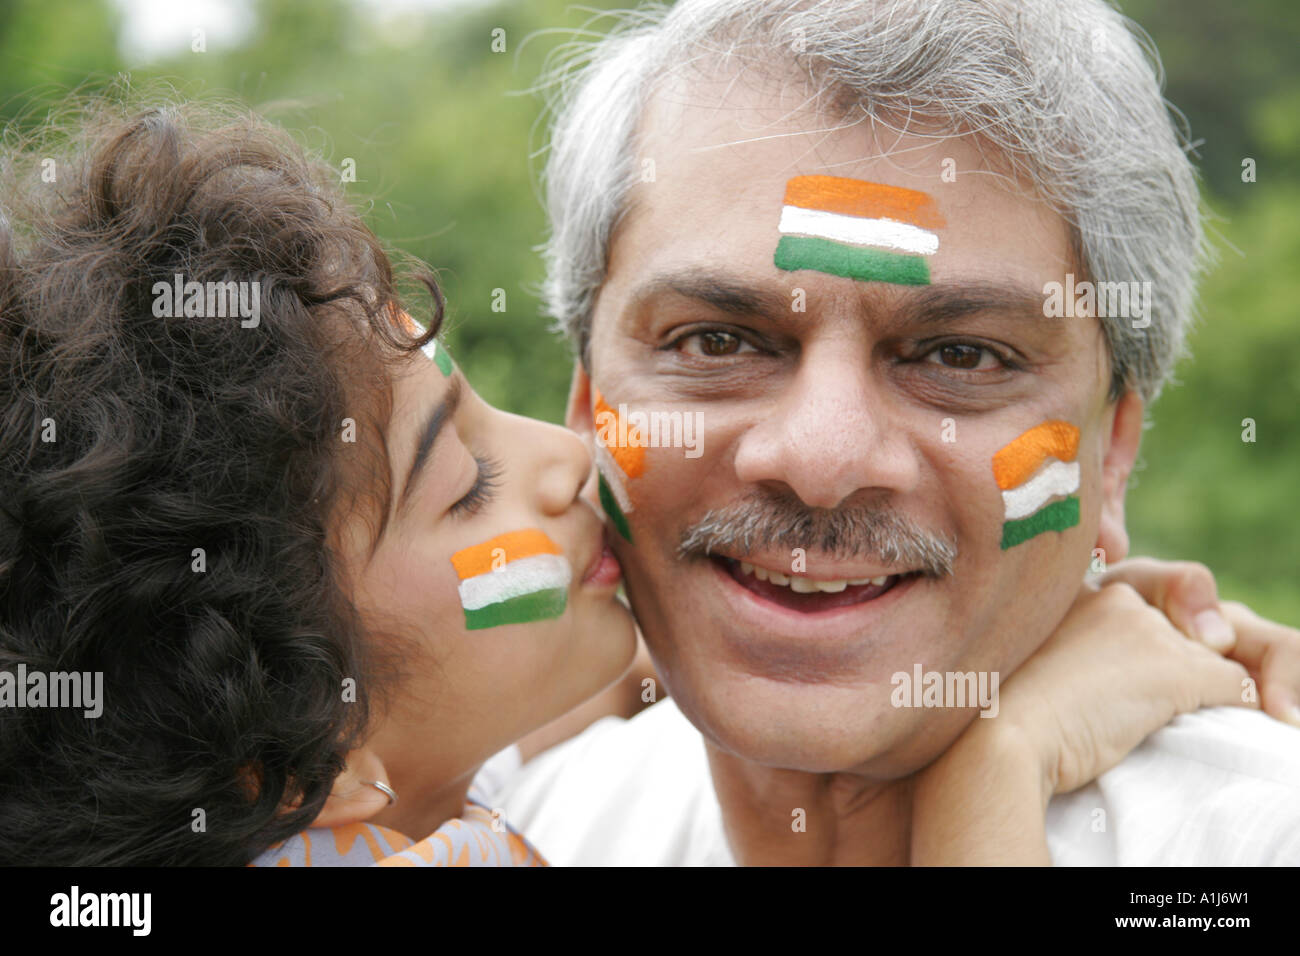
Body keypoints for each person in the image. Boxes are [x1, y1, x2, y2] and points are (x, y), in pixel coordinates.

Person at [495, 0, 1300, 865]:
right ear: (586, 411)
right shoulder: (539, 829)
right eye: (716, 342)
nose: (820, 460)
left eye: (961, 355)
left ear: (1112, 454)